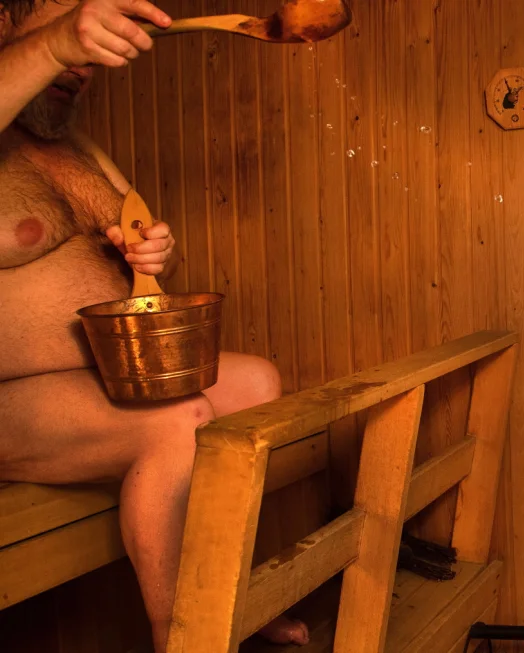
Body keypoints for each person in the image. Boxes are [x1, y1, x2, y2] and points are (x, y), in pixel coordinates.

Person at [0, 0, 308, 648]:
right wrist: (54, 45)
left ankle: (225, 595)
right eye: (61, 23)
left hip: (98, 377)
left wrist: (153, 253)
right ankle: (187, 636)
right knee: (177, 418)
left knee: (255, 384)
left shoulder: (73, 147)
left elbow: (140, 247)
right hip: (12, 402)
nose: (81, 64)